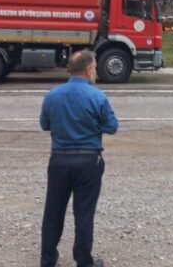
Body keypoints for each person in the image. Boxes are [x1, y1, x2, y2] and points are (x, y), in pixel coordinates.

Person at [39, 50, 118, 267]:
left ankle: (47, 259)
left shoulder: (52, 95)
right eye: (95, 67)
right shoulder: (97, 96)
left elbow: (45, 124)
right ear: (88, 69)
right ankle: (83, 261)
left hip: (59, 160)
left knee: (53, 211)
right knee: (84, 213)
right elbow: (112, 127)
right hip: (88, 161)